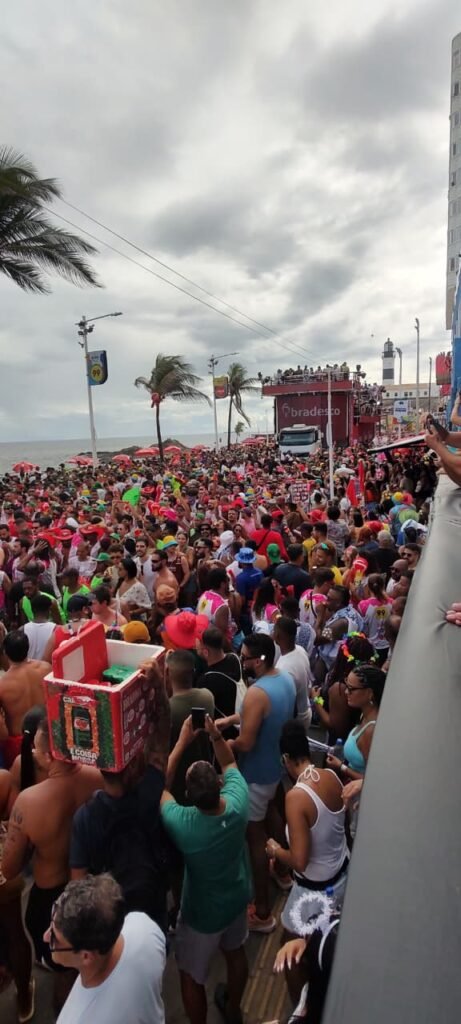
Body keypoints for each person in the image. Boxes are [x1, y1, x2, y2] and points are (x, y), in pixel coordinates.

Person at [70, 659, 172, 933]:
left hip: (112, 921)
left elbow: (78, 884)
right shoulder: (149, 792)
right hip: (152, 906)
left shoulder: (85, 817)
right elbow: (161, 740)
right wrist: (159, 688)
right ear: (133, 767)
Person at [161, 714, 251, 1024]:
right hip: (237, 898)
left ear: (189, 797)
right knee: (236, 952)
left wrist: (181, 743)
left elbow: (160, 789)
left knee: (190, 975)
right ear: (219, 784)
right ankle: (234, 1008)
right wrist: (214, 735)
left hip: (202, 915)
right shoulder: (239, 801)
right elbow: (229, 763)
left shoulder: (184, 824)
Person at [1, 713, 102, 985]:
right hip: (92, 883)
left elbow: (9, 869)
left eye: (36, 748)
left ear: (49, 755)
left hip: (51, 897)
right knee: (88, 957)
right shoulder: (98, 777)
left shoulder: (29, 802)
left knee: (64, 971)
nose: (33, 752)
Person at [266, 721, 348, 1004]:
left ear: (286, 759)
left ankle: (302, 1009)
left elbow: (299, 861)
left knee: (290, 955)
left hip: (314, 894)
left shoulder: (295, 798)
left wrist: (276, 850)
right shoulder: (332, 776)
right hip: (342, 879)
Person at [227, 633, 296, 933]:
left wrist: (224, 742)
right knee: (274, 814)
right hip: (275, 767)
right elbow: (260, 716)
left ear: (260, 660)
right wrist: (230, 720)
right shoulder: (285, 679)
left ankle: (263, 910)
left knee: (254, 837)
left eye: (245, 658)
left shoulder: (256, 693)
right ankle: (282, 870)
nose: (242, 662)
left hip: (255, 773)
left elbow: (245, 742)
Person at [44, 874, 166, 1024]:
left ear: (86, 956)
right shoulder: (145, 928)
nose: (45, 937)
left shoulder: (77, 1019)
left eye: (55, 938)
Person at [168, 649, 214, 803]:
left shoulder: (167, 711)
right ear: (193, 672)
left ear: (167, 673)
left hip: (177, 779)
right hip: (205, 773)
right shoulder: (207, 696)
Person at [326, 665, 386, 781]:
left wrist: (341, 767)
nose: (346, 692)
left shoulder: (371, 730)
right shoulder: (364, 715)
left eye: (351, 689)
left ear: (369, 693)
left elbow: (371, 780)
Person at [0, 630, 49, 768]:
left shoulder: (2, 685)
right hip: (46, 735)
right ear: (28, 647)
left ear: (5, 652)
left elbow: (2, 732)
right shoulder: (46, 669)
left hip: (18, 743)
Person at [273, 617, 313, 733]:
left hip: (296, 722)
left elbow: (288, 707)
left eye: (274, 631)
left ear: (278, 636)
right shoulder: (301, 650)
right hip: (306, 710)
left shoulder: (284, 670)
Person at [196, 625, 242, 720]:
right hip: (240, 719)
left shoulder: (206, 681)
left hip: (223, 726)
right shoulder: (235, 658)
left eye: (199, 646)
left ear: (206, 652)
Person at [235, 547, 264, 634]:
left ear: (241, 562)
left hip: (247, 612)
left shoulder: (240, 578)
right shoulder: (260, 572)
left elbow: (242, 600)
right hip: (261, 607)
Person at [23, 593, 57, 660]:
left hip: (29, 666)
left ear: (32, 610)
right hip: (49, 666)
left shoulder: (22, 629)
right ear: (49, 610)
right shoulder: (56, 629)